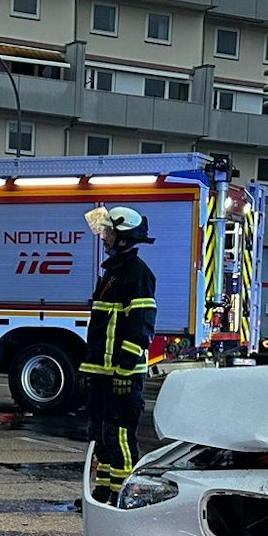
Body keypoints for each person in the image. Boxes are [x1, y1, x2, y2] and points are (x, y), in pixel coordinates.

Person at [81, 205, 157, 502]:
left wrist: (125, 370)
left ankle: (124, 496)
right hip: (103, 373)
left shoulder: (137, 275)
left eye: (109, 232)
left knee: (120, 437)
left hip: (121, 375)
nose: (104, 237)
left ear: (122, 237)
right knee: (101, 436)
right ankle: (104, 492)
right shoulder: (112, 273)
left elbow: (139, 328)